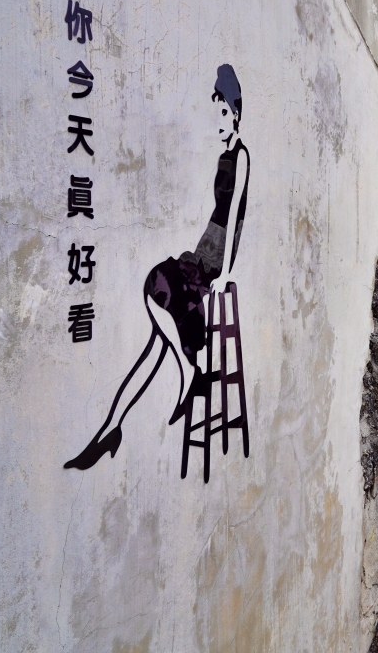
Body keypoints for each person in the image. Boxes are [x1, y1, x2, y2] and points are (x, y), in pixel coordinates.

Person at [64, 64, 251, 471]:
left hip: (215, 262)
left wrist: (229, 274)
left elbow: (235, 212)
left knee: (157, 285)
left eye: (223, 113)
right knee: (156, 337)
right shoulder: (222, 154)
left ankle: (183, 376)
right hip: (202, 251)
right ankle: (114, 426)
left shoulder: (242, 155)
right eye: (214, 112)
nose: (218, 121)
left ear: (236, 113)